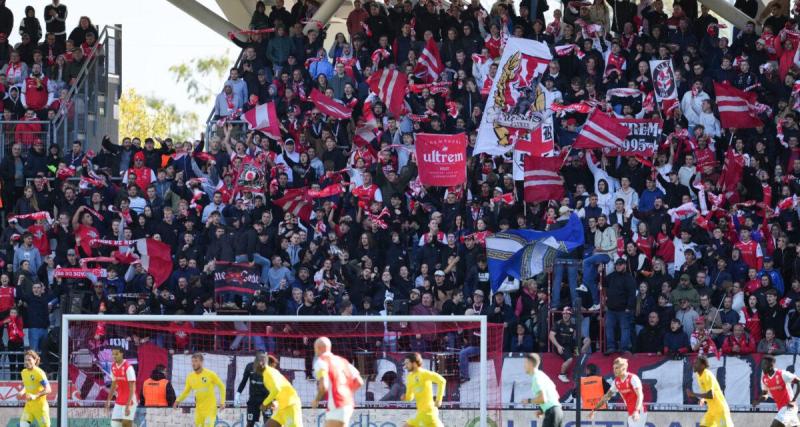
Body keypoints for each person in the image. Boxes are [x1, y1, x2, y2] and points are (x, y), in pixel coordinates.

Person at [311, 337, 364, 427]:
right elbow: (359, 381)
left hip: (337, 404)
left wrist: (316, 400)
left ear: (318, 348)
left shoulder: (321, 362)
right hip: (347, 403)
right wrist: (347, 394)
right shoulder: (342, 361)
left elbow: (323, 386)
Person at [589, 357, 646, 427]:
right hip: (631, 412)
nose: (614, 370)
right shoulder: (616, 382)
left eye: (616, 368)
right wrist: (594, 409)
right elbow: (606, 397)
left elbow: (640, 396)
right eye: (613, 368)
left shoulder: (633, 378)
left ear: (623, 368)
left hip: (640, 411)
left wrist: (636, 411)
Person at [174, 353, 227, 427]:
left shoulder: (210, 374)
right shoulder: (190, 376)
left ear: (201, 362)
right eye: (192, 361)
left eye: (196, 361)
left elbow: (222, 387)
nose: (193, 363)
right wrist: (178, 400)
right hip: (199, 410)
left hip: (210, 409)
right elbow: (186, 391)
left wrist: (222, 402)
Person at [686, 355, 733, 427]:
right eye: (694, 363)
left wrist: (693, 394)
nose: (694, 365)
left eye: (696, 363)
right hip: (712, 410)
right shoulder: (699, 376)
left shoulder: (707, 374)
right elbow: (708, 391)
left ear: (703, 365)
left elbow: (710, 395)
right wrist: (703, 399)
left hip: (720, 409)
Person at [402, 352, 446, 427]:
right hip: (421, 413)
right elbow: (410, 397)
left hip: (428, 413)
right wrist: (405, 397)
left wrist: (439, 399)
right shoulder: (409, 377)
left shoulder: (424, 373)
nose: (405, 366)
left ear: (414, 363)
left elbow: (442, 381)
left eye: (407, 363)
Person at [756, 354, 800, 427]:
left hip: (789, 406)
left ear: (771, 365)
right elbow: (765, 394)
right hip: (781, 408)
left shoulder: (782, 374)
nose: (762, 367)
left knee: (775, 425)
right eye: (762, 364)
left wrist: (793, 400)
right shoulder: (764, 379)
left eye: (764, 364)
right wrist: (759, 400)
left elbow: (798, 382)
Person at [262, 354, 303, 427]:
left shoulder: (271, 374)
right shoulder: (271, 375)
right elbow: (281, 392)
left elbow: (277, 390)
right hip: (281, 409)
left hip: (290, 406)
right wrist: (276, 402)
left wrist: (264, 403)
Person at [522, 353, 563, 427]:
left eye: (525, 363)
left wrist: (528, 401)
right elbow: (555, 395)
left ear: (530, 364)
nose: (523, 366)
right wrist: (541, 409)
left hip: (552, 413)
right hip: (558, 412)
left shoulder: (536, 378)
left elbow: (543, 399)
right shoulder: (542, 375)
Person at [235, 352, 269, 427]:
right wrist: (238, 394)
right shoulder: (249, 367)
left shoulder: (269, 368)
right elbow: (243, 381)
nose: (261, 363)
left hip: (267, 399)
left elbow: (276, 385)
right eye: (259, 361)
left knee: (268, 423)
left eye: (263, 361)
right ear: (256, 360)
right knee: (250, 423)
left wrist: (275, 399)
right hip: (253, 399)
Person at [105, 347, 137, 427]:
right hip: (119, 399)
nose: (114, 356)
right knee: (115, 424)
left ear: (122, 354)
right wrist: (108, 400)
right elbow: (114, 384)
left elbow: (132, 388)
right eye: (113, 354)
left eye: (116, 354)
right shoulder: (113, 367)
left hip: (131, 400)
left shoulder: (128, 368)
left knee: (126, 425)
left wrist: (128, 405)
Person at [18, 350, 50, 427]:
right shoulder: (23, 372)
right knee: (23, 425)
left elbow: (48, 389)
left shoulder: (39, 373)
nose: (27, 362)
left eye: (29, 360)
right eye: (25, 360)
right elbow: (27, 385)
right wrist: (22, 392)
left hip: (40, 407)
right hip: (29, 406)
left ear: (35, 360)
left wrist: (35, 396)